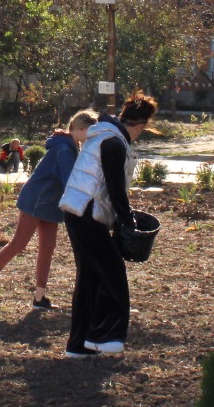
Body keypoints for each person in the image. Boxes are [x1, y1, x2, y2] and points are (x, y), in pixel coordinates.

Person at [57, 92, 156, 358]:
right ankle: (105, 337)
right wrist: (128, 221)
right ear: (141, 125)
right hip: (87, 213)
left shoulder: (102, 135)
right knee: (113, 274)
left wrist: (123, 217)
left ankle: (78, 345)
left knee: (89, 277)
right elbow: (114, 189)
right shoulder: (113, 142)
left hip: (76, 210)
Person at [0, 110, 98, 310]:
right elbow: (70, 181)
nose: (90, 137)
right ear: (77, 128)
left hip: (51, 202)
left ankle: (39, 298)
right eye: (88, 131)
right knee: (18, 244)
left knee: (48, 248)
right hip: (36, 199)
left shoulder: (71, 146)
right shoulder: (64, 149)